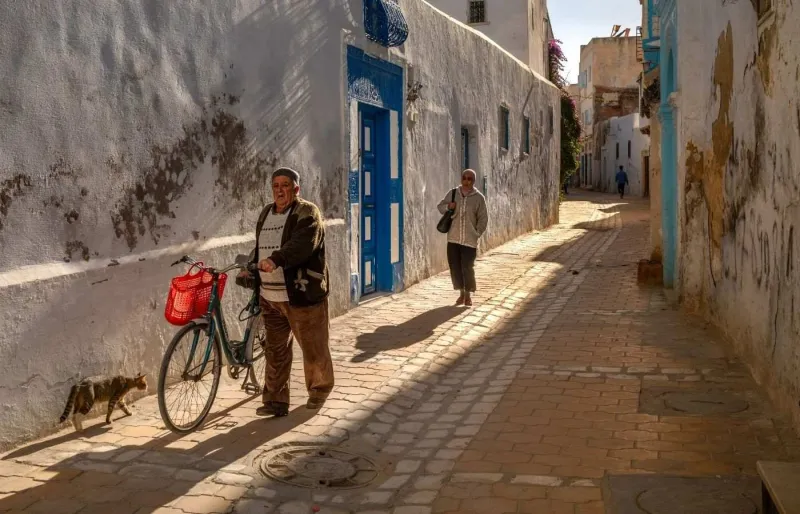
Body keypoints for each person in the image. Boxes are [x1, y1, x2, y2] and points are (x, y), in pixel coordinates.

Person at [245, 167, 334, 418]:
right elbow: (261, 246)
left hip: (300, 294)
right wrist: (251, 267)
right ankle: (275, 400)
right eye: (276, 186)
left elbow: (303, 244)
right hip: (270, 296)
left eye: (285, 185)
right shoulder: (266, 212)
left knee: (313, 346)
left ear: (296, 189)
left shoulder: (307, 212)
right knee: (276, 350)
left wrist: (277, 259)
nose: (280, 190)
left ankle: (319, 390)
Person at [437, 169, 489, 307]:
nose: (466, 181)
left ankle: (468, 295)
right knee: (455, 267)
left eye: (469, 179)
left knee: (467, 267)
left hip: (469, 240)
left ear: (473, 181)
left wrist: (477, 233)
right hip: (453, 238)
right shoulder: (453, 193)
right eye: (464, 178)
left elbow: (483, 218)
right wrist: (448, 206)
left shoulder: (479, 198)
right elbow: (440, 207)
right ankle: (461, 293)